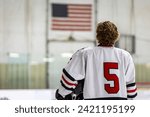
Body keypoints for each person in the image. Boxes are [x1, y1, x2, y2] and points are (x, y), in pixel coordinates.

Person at [55, 21, 137, 100]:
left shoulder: (85, 53)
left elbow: (68, 81)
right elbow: (131, 91)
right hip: (119, 107)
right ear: (116, 36)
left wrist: (62, 93)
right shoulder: (126, 56)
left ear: (98, 35)